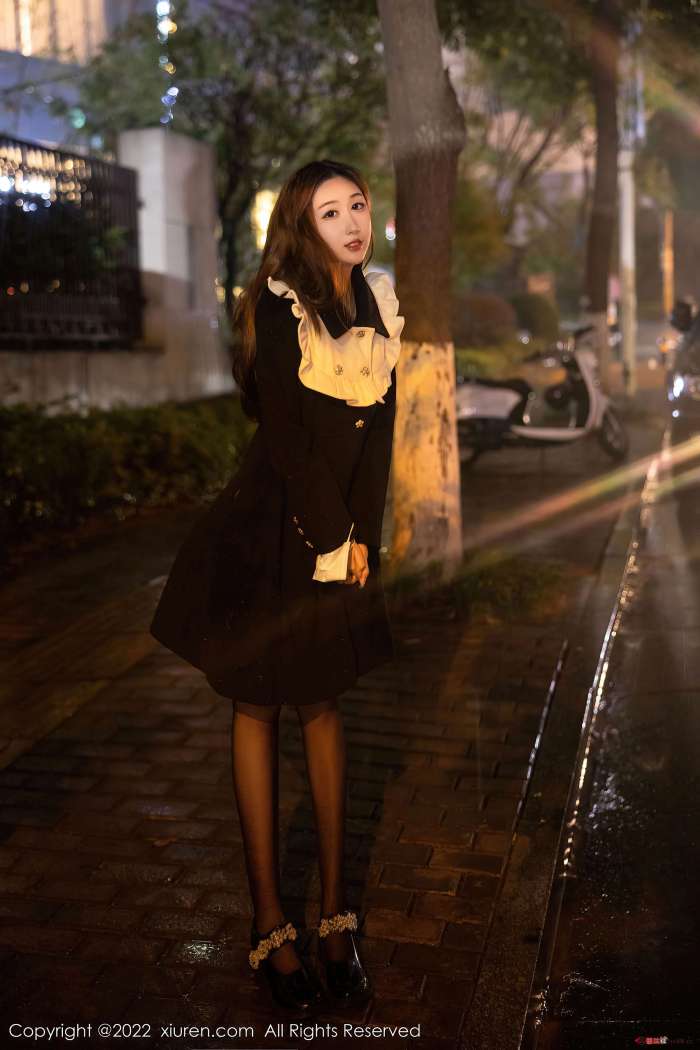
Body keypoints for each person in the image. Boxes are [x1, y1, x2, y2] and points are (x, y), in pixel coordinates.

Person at [150, 159, 403, 1015]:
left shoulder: (379, 302)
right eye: (330, 212)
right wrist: (333, 537)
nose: (352, 222)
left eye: (357, 205)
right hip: (269, 532)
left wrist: (363, 541)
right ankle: (269, 922)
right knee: (258, 707)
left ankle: (334, 916)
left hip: (339, 538)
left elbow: (378, 441)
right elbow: (289, 444)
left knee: (323, 705)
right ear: (302, 225)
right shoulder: (277, 302)